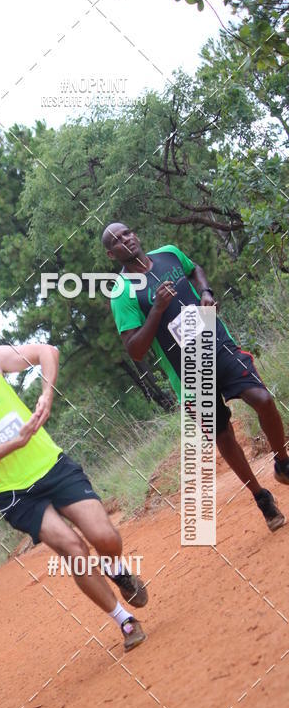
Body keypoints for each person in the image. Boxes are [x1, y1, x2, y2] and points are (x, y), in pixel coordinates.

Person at [0, 333, 148, 652]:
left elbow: (47, 351)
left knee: (104, 536)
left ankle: (117, 570)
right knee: (73, 550)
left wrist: (47, 393)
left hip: (51, 464)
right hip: (14, 493)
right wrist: (14, 445)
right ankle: (123, 619)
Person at [103, 223, 289, 532]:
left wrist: (205, 292)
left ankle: (283, 463)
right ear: (112, 254)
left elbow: (194, 269)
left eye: (127, 233)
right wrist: (157, 310)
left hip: (216, 343)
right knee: (222, 433)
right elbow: (135, 349)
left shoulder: (168, 254)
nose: (126, 239)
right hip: (187, 372)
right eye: (117, 241)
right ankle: (261, 497)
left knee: (263, 399)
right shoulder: (122, 292)